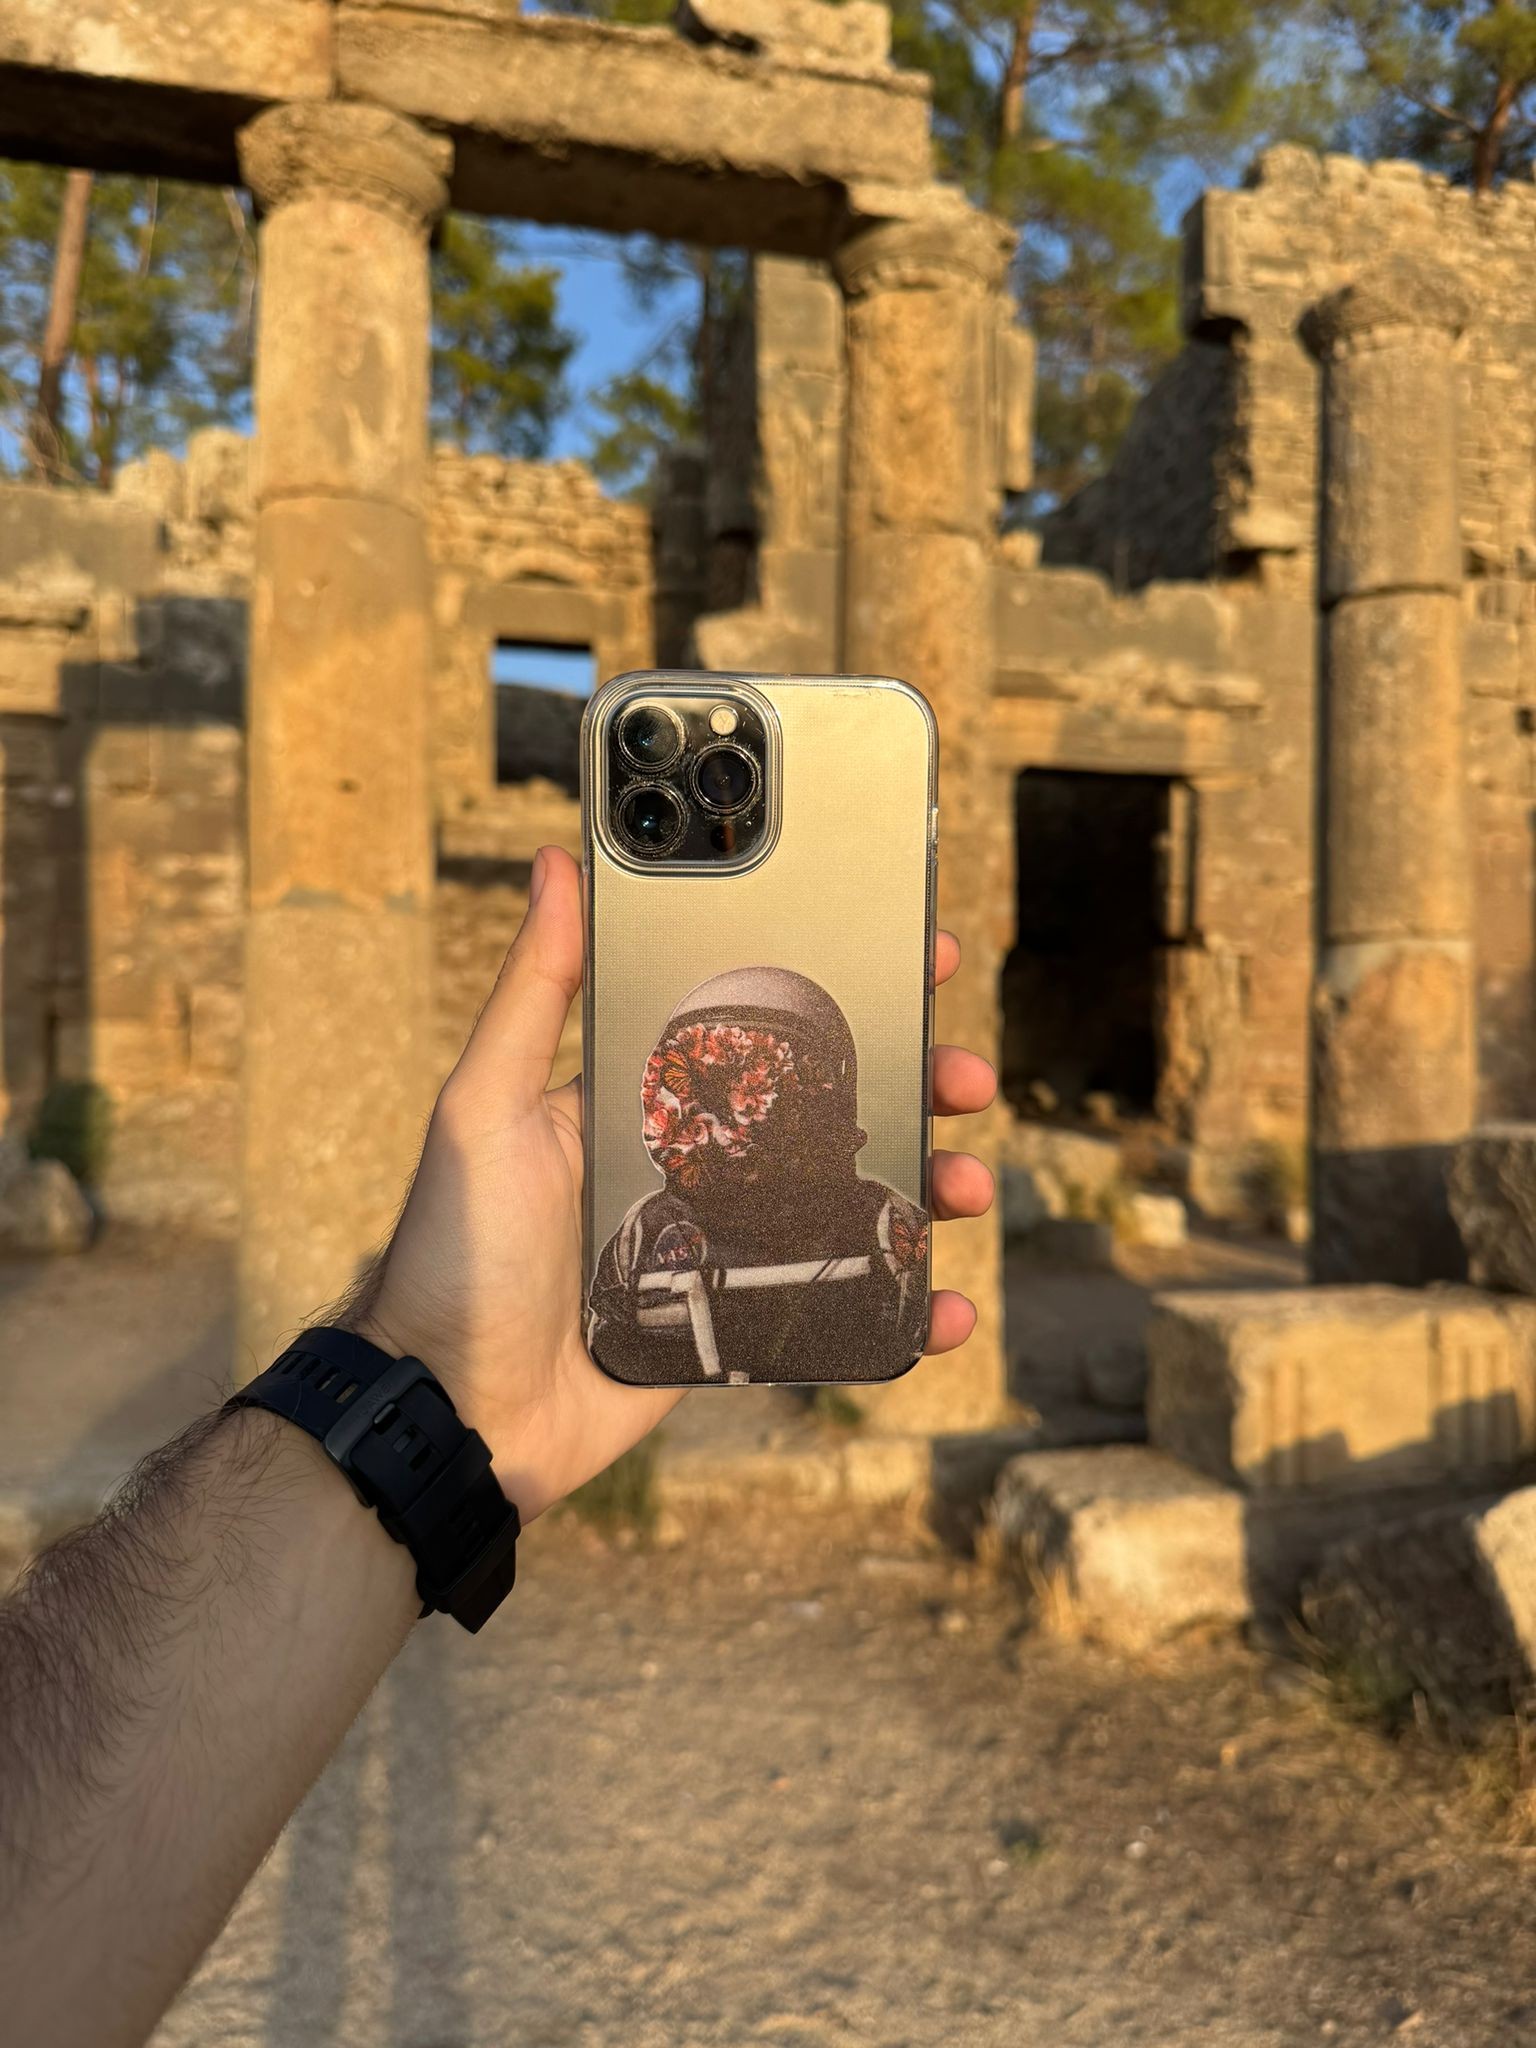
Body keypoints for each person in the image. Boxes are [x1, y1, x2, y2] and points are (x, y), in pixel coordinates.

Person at [0, 845, 997, 2048]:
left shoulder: (873, 1230)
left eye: (750, 1088)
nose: (697, 1124)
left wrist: (432, 1391)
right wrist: (427, 1370)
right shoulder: (637, 1247)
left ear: (833, 1106)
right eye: (675, 1090)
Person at [587, 964, 930, 1384]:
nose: (719, 1127)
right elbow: (616, 1350)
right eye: (699, 1092)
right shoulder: (648, 1233)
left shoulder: (879, 1225)